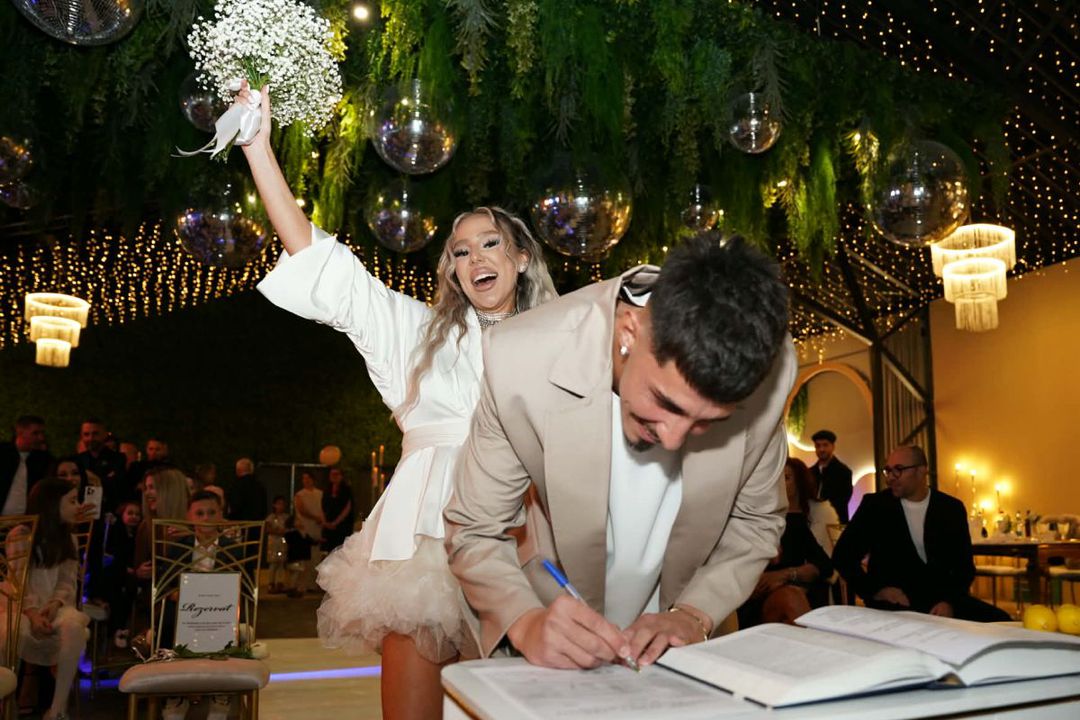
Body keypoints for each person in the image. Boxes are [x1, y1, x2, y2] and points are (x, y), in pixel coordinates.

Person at [237, 80, 557, 718]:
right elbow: (323, 267)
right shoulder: (416, 333)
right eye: (460, 251)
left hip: (526, 539)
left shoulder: (561, 341)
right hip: (424, 543)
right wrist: (257, 148)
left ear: (521, 258)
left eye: (490, 242)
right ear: (453, 272)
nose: (475, 257)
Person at [444, 233, 794, 670]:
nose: (673, 440)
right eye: (666, 403)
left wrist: (693, 614)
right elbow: (474, 528)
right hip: (553, 618)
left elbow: (755, 522)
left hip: (688, 641)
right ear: (629, 331)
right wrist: (526, 622)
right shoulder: (520, 358)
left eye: (707, 422)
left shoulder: (767, 370)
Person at [832, 445, 1009, 622]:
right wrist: (875, 590)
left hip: (941, 600)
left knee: (1002, 621)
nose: (890, 477)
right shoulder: (875, 506)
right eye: (888, 470)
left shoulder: (950, 508)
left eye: (898, 470)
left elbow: (964, 568)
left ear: (922, 471)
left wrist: (949, 602)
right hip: (895, 604)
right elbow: (842, 556)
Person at [3, 478, 90, 720]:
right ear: (52, 504)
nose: (78, 506)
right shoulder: (21, 535)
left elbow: (67, 581)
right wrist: (32, 612)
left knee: (74, 628)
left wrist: (54, 605)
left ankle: (57, 708)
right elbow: (18, 581)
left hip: (52, 606)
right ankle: (7, 704)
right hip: (19, 606)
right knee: (10, 633)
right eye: (72, 501)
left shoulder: (69, 538)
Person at [737, 457, 833, 627]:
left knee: (793, 597)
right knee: (790, 596)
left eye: (786, 478)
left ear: (799, 484)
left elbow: (824, 565)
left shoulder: (796, 521)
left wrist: (787, 574)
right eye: (776, 478)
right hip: (754, 599)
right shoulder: (756, 518)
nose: (779, 484)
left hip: (790, 593)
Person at [0, 414, 53, 516]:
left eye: (42, 433)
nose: (41, 438)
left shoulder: (42, 460)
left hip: (28, 519)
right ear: (19, 432)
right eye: (35, 433)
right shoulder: (3, 453)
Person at [289, 471, 323, 596]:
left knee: (316, 556)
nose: (306, 481)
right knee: (305, 557)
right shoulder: (300, 495)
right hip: (305, 528)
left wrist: (322, 519)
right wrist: (315, 517)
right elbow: (301, 510)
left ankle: (313, 584)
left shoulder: (320, 494)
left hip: (317, 527)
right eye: (304, 478)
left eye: (308, 478)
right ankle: (302, 585)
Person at [810, 429, 853, 523]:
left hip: (835, 522)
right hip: (813, 522)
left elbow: (842, 501)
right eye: (818, 446)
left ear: (833, 447)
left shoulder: (844, 472)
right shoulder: (809, 472)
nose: (821, 449)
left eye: (825, 445)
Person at [319, 467, 353, 553]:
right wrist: (324, 522)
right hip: (327, 525)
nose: (334, 476)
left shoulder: (346, 490)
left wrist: (335, 523)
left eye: (336, 474)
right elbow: (322, 507)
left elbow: (347, 508)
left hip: (342, 527)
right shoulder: (327, 490)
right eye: (332, 474)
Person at [265, 495, 290, 593]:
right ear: (274, 505)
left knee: (281, 563)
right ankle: (271, 583)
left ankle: (280, 583)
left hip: (283, 542)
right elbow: (268, 529)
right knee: (273, 563)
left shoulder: (286, 517)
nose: (281, 506)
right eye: (279, 504)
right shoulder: (271, 517)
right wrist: (278, 531)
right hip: (273, 542)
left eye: (282, 504)